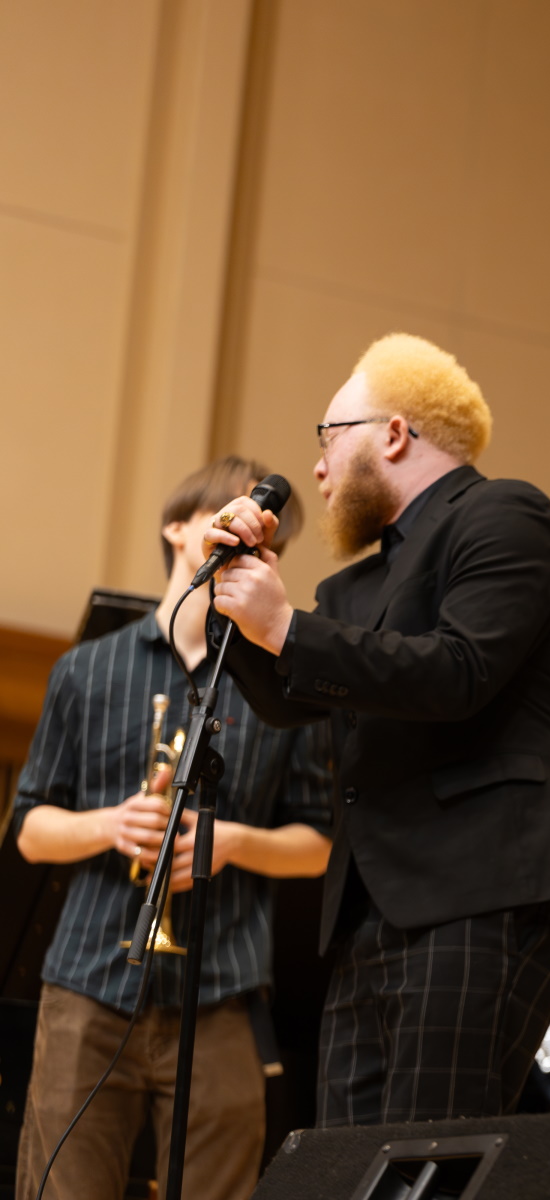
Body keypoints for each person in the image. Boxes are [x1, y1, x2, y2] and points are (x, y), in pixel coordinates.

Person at [203, 332, 550, 1126]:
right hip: (377, 902)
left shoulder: (506, 514)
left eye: (328, 439)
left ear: (393, 435)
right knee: (346, 1163)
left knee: (424, 1153)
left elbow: (457, 671)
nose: (317, 469)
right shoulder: (357, 585)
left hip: (487, 881)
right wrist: (239, 610)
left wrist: (284, 624)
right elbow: (292, 698)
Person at [13, 456, 333, 1200]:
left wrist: (235, 843)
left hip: (221, 992)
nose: (253, 538)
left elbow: (319, 845)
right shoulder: (85, 671)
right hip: (89, 987)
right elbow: (31, 829)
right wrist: (111, 825)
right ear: (179, 528)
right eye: (229, 515)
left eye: (271, 540)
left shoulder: (287, 691)